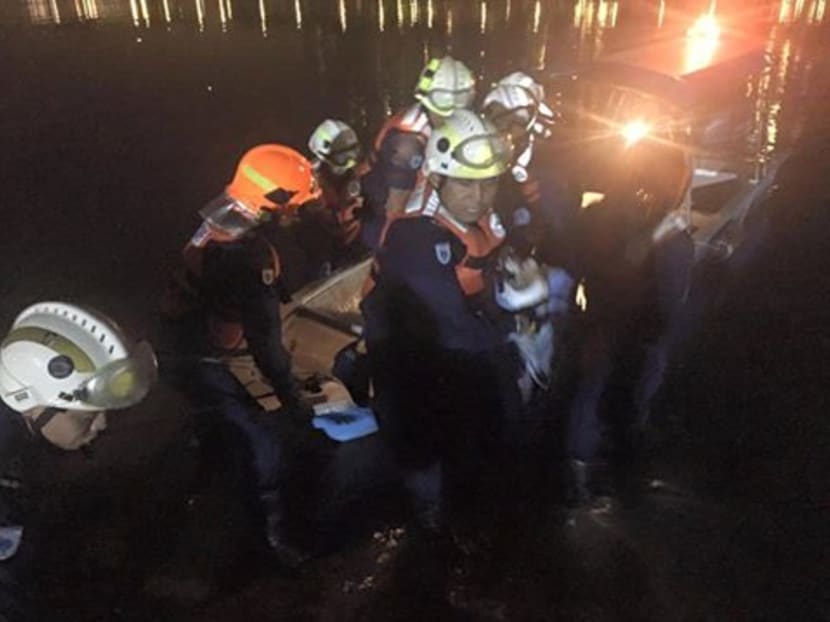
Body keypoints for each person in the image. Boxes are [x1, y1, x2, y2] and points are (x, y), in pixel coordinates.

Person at [161, 144, 322, 568]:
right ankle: (271, 542)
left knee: (214, 428)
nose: (297, 214)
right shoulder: (250, 258)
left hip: (174, 341)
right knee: (263, 448)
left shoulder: (211, 217)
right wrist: (290, 397)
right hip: (207, 358)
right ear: (274, 202)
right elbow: (266, 340)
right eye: (295, 205)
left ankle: (204, 467)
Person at [361, 109, 516, 535]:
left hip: (449, 345)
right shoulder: (417, 237)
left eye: (489, 182)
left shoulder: (478, 219)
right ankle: (427, 521)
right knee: (421, 440)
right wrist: (513, 325)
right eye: (466, 182)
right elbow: (455, 326)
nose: (479, 196)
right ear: (437, 178)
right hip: (410, 355)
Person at [0, 301, 157, 621]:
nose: (102, 425)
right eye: (87, 417)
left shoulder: (24, 436)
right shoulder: (6, 489)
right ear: (28, 403)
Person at [358, 56, 476, 249]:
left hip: (420, 208)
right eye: (445, 103)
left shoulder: (433, 121)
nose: (453, 115)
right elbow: (394, 210)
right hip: (390, 223)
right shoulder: (409, 144)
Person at [300, 119, 367, 275]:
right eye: (343, 157)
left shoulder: (363, 173)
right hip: (323, 246)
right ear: (324, 155)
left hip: (359, 240)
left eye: (353, 153)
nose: (351, 161)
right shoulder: (308, 181)